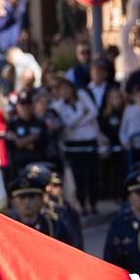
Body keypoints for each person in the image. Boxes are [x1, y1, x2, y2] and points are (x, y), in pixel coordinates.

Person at [53, 77, 100, 216]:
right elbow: (67, 123)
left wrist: (78, 121)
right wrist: (81, 115)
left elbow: (93, 112)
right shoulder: (59, 106)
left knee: (92, 174)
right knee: (79, 176)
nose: (66, 92)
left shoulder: (82, 96)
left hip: (89, 140)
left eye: (67, 88)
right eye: (63, 90)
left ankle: (93, 204)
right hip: (73, 144)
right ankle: (82, 205)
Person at [9, 164, 78, 248]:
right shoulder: (7, 228)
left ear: (42, 199)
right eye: (21, 197)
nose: (27, 201)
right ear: (13, 202)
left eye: (32, 196)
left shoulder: (54, 226)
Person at [5, 94, 48, 174]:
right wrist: (30, 139)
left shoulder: (39, 123)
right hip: (18, 166)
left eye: (28, 104)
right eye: (22, 104)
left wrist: (19, 140)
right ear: (17, 107)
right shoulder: (12, 124)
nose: (25, 107)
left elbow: (42, 144)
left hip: (38, 163)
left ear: (32, 106)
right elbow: (12, 145)